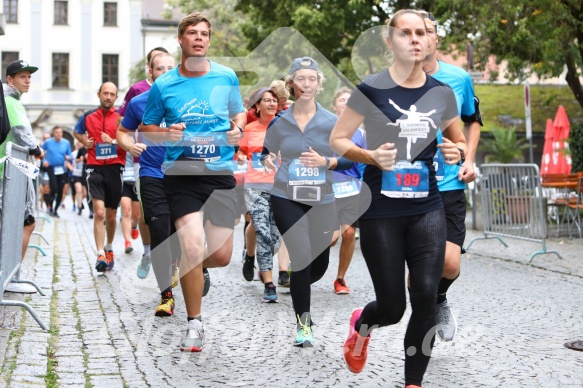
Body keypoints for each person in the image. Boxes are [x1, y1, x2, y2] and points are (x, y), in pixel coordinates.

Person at [329, 10, 466, 387]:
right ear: (390, 42)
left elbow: (457, 138)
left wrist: (458, 152)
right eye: (404, 33)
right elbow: (338, 140)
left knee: (425, 294)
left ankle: (413, 383)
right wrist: (371, 156)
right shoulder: (371, 89)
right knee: (392, 307)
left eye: (421, 32)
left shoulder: (441, 92)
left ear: (429, 39)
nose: (414, 39)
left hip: (427, 206)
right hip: (382, 210)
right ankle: (362, 324)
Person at [141, 12, 246, 351]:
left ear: (209, 41)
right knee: (191, 247)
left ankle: (194, 269)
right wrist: (166, 132)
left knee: (219, 256)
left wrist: (239, 129)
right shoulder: (164, 85)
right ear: (181, 40)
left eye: (204, 34)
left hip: (219, 174)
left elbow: (239, 113)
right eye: (192, 33)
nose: (199, 38)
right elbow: (147, 129)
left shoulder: (226, 76)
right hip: (182, 174)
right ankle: (195, 324)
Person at [262, 56, 352, 347]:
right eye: (301, 79)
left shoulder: (331, 121)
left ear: (318, 84)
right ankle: (303, 324)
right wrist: (266, 158)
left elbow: (350, 156)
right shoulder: (280, 122)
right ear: (291, 85)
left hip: (322, 199)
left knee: (320, 265)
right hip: (286, 195)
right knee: (300, 255)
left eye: (312, 79)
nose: (307, 84)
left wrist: (327, 161)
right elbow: (267, 149)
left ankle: (299, 285)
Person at [419, 10, 483, 342]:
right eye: (412, 32)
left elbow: (472, 121)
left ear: (436, 38)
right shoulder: (392, 82)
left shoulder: (458, 78)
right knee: (418, 271)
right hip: (410, 187)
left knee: (450, 265)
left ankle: (440, 299)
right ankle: (418, 340)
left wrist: (468, 159)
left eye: (427, 31)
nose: (420, 38)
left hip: (449, 184)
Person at [117, 51, 183, 315]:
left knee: (182, 232)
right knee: (159, 232)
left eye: (170, 68)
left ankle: (191, 265)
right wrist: (130, 144)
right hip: (152, 173)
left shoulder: (187, 101)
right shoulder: (138, 103)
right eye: (160, 69)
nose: (165, 73)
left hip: (183, 175)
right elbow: (121, 132)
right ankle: (166, 296)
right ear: (151, 73)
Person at [238, 87, 289, 302]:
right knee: (262, 232)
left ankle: (252, 259)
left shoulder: (286, 127)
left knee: (275, 237)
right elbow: (241, 150)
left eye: (274, 100)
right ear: (257, 106)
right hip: (255, 186)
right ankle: (269, 284)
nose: (270, 104)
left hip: (280, 188)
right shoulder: (249, 129)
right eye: (266, 100)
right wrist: (241, 157)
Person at [0, 60, 44, 293]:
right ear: (10, 80)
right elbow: (20, 132)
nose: (27, 81)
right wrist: (36, 149)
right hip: (11, 171)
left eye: (29, 77)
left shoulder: (10, 100)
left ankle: (9, 275)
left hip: (10, 171)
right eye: (22, 77)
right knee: (25, 222)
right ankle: (10, 276)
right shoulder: (10, 101)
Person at [74, 82, 126, 273]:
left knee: (111, 215)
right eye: (105, 93)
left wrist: (112, 141)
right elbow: (76, 131)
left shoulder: (121, 118)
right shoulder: (88, 116)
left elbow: (130, 140)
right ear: (99, 94)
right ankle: (99, 254)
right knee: (99, 212)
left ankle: (109, 247)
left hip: (115, 166)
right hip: (94, 166)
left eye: (112, 94)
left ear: (116, 97)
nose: (108, 97)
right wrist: (84, 141)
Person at [329, 87, 366, 295]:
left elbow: (365, 165)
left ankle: (340, 278)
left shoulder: (361, 134)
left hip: (352, 190)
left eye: (350, 100)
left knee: (350, 233)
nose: (346, 103)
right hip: (328, 189)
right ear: (335, 106)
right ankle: (306, 264)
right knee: (331, 239)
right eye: (342, 100)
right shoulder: (326, 129)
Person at [117, 47, 169, 120]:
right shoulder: (136, 89)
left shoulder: (176, 89)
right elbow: (120, 118)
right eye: (156, 59)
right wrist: (140, 125)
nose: (160, 62)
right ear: (148, 65)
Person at [41, 126, 73, 218]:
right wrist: (44, 161)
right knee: (53, 187)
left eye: (60, 132)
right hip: (51, 167)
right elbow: (40, 151)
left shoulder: (66, 143)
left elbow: (70, 155)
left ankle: (55, 210)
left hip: (62, 169)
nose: (59, 134)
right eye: (57, 132)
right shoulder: (48, 142)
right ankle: (50, 207)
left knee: (60, 190)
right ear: (53, 134)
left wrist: (69, 158)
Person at [120, 152, 141, 253]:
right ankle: (127, 242)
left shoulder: (141, 137)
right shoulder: (121, 138)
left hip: (137, 180)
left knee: (136, 215)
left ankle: (134, 226)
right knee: (126, 210)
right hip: (124, 180)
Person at [70, 140, 88, 215]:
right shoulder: (73, 153)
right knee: (78, 190)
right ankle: (80, 207)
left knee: (85, 193)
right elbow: (69, 162)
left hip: (84, 174)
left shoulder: (86, 151)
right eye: (79, 143)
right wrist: (71, 167)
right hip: (76, 173)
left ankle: (79, 202)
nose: (80, 144)